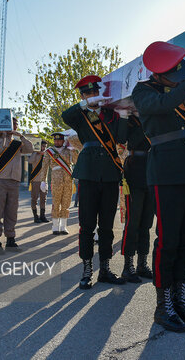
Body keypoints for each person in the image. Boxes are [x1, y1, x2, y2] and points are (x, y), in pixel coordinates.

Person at [132, 41, 185, 333]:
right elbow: (161, 106)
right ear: (159, 74)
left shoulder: (183, 92)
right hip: (166, 172)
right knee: (168, 240)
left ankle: (179, 298)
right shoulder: (144, 91)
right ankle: (163, 303)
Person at [62, 74, 129, 289]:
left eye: (94, 92)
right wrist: (85, 105)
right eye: (87, 93)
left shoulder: (111, 114)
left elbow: (121, 138)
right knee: (87, 225)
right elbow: (66, 116)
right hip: (89, 173)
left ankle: (106, 268)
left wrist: (125, 115)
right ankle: (87, 269)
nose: (92, 96)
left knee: (107, 226)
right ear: (82, 96)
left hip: (109, 174)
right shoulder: (81, 115)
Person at [0, 117, 34, 253]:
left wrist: (21, 137)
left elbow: (30, 149)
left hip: (14, 181)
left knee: (11, 212)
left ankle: (10, 240)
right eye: (12, 124)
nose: (14, 127)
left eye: (16, 125)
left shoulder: (17, 142)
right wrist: (4, 135)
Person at [120, 113, 154, 282]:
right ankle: (128, 266)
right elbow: (129, 140)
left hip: (152, 169)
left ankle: (142, 263)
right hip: (135, 170)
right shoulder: (129, 121)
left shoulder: (153, 117)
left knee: (146, 223)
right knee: (133, 221)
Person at [42, 132, 76, 234]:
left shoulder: (68, 150)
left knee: (66, 202)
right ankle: (55, 226)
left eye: (59, 140)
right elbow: (44, 167)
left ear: (63, 141)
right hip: (56, 179)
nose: (57, 141)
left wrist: (74, 151)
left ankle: (63, 226)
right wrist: (43, 181)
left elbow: (75, 161)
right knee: (56, 202)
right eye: (55, 140)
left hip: (68, 179)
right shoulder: (49, 151)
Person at [28, 140, 50, 224]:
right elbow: (30, 161)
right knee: (34, 199)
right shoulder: (35, 154)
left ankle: (42, 216)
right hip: (35, 180)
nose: (43, 148)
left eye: (45, 147)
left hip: (44, 180)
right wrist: (35, 152)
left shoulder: (47, 155)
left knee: (43, 199)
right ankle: (35, 216)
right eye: (42, 146)